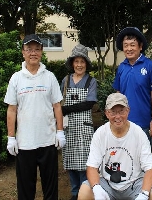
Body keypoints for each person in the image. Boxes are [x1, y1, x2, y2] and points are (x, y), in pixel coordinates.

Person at [4, 34, 66, 200]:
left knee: (51, 188)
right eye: (29, 49)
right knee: (25, 189)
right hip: (25, 143)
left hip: (48, 141)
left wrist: (60, 131)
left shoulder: (50, 77)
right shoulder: (16, 78)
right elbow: (11, 109)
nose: (33, 53)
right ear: (23, 52)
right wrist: (11, 137)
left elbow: (57, 106)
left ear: (41, 52)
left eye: (36, 49)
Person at [77, 93, 152, 200]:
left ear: (128, 111)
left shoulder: (138, 133)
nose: (118, 116)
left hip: (134, 184)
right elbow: (92, 166)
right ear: (107, 113)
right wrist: (97, 188)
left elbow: (150, 168)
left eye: (121, 111)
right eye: (113, 112)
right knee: (84, 190)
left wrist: (144, 194)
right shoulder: (100, 133)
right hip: (107, 183)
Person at [60, 44, 98, 200]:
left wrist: (67, 109)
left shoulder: (91, 81)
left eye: (82, 62)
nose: (79, 65)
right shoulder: (66, 80)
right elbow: (59, 103)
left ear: (86, 64)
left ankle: (84, 193)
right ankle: (74, 193)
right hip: (69, 128)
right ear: (72, 63)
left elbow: (89, 104)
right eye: (76, 61)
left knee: (84, 163)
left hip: (84, 129)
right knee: (70, 162)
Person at [112, 27, 152, 140]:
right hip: (123, 122)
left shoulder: (150, 66)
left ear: (140, 46)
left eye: (132, 45)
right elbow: (118, 95)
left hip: (144, 124)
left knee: (143, 157)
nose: (129, 48)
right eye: (126, 45)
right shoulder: (121, 67)